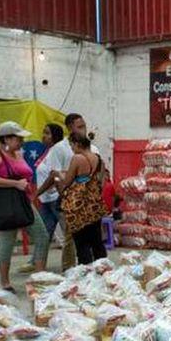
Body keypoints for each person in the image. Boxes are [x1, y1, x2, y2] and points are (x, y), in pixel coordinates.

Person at [0, 121, 49, 290]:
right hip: (5, 202)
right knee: (7, 242)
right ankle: (5, 282)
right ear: (7, 139)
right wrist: (14, 183)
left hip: (23, 200)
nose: (21, 142)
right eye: (18, 138)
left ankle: (39, 278)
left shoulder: (18, 154)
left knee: (42, 236)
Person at [39, 113, 100, 271]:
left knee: (85, 238)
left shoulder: (90, 151)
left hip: (85, 201)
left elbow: (97, 177)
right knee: (75, 238)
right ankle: (73, 269)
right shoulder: (59, 149)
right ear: (69, 128)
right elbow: (57, 175)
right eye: (79, 127)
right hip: (75, 200)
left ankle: (85, 269)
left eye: (84, 126)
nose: (83, 129)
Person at [57, 133, 108, 265]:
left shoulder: (77, 158)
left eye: (71, 145)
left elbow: (68, 180)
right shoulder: (99, 160)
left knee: (81, 241)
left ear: (77, 144)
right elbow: (101, 183)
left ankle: (86, 271)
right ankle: (102, 269)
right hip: (95, 204)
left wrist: (59, 176)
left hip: (79, 207)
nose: (71, 148)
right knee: (96, 241)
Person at [22, 122, 66, 274]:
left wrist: (39, 192)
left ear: (55, 136)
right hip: (46, 201)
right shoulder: (47, 152)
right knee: (43, 233)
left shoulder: (57, 151)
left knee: (68, 232)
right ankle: (36, 261)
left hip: (55, 198)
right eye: (43, 132)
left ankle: (76, 261)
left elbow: (57, 176)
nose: (43, 136)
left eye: (47, 133)